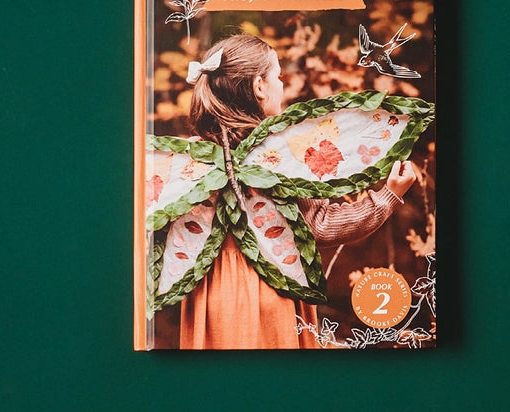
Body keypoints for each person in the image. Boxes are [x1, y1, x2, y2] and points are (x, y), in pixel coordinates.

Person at [177, 34, 415, 349]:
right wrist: (388, 195)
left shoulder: (186, 160)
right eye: (279, 77)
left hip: (210, 299)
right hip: (270, 290)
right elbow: (321, 225)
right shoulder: (282, 156)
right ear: (259, 86)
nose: (282, 86)